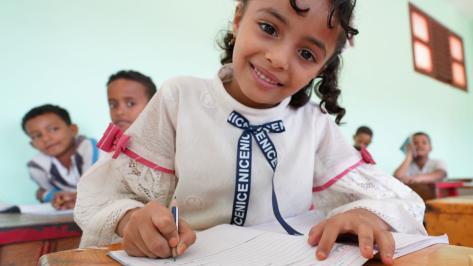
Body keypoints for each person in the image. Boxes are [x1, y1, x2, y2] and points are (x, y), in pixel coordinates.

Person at [75, 1, 425, 264]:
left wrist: (363, 214)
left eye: (306, 53)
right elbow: (103, 195)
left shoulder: (313, 123)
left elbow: (402, 201)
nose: (279, 59)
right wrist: (131, 219)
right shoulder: (180, 98)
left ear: (321, 69)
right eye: (269, 28)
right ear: (239, 17)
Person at [22, 104, 98, 209]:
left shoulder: (90, 148)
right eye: (38, 136)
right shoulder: (37, 166)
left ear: (73, 130)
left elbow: (96, 186)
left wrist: (43, 194)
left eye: (54, 129)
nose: (46, 138)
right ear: (33, 145)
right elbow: (45, 193)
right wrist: (54, 197)